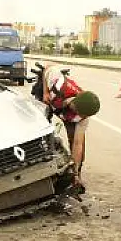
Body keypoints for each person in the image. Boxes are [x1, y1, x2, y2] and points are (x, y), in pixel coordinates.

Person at [42, 64, 100, 193]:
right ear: (73, 103)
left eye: (83, 116)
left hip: (64, 113)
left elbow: (78, 144)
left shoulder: (82, 119)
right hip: (51, 102)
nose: (81, 117)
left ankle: (76, 175)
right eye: (79, 113)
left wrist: (75, 171)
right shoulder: (59, 84)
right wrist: (45, 92)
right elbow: (47, 68)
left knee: (75, 140)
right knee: (41, 131)